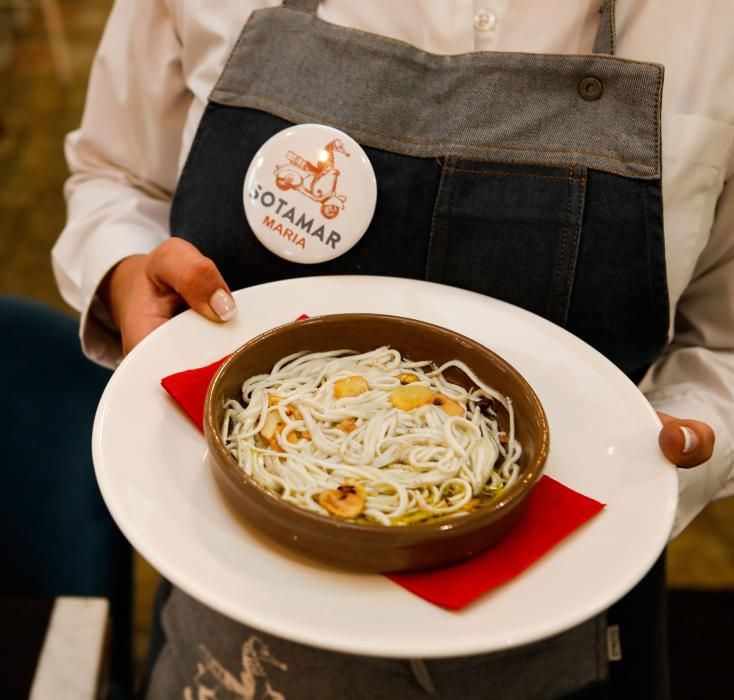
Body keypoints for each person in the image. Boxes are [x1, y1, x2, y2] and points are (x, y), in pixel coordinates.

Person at [53, 1, 733, 697]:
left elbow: (725, 336)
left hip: (570, 632)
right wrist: (127, 274)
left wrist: (690, 427)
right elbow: (117, 176)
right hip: (233, 630)